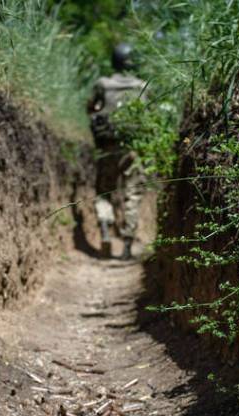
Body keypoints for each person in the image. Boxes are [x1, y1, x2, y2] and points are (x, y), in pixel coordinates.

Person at [87, 43, 147, 259]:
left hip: (107, 148)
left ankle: (105, 232)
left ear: (114, 61)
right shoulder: (142, 86)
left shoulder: (102, 84)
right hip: (133, 149)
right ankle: (127, 248)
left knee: (103, 192)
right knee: (132, 196)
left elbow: (91, 108)